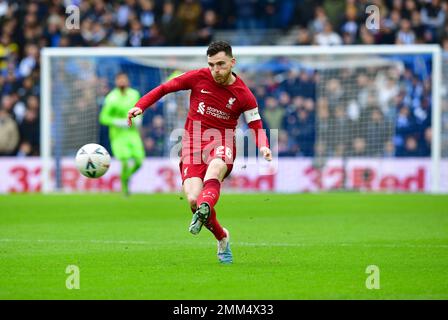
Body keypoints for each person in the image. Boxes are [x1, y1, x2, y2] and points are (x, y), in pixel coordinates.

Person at [127, 41, 272, 264]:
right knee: (194, 199)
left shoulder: (244, 94)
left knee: (215, 168)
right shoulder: (198, 77)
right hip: (192, 145)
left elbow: (256, 124)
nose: (216, 70)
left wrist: (263, 145)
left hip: (222, 142)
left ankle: (206, 207)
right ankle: (222, 237)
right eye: (212, 65)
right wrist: (141, 105)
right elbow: (165, 88)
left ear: (233, 62)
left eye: (221, 64)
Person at [100, 72, 145, 196]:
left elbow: (140, 108)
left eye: (124, 79)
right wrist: (118, 122)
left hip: (132, 133)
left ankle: (126, 177)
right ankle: (125, 188)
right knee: (125, 161)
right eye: (119, 80)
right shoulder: (111, 97)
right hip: (118, 135)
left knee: (139, 161)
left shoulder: (134, 94)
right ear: (116, 82)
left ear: (127, 81)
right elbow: (103, 117)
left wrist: (140, 118)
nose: (122, 82)